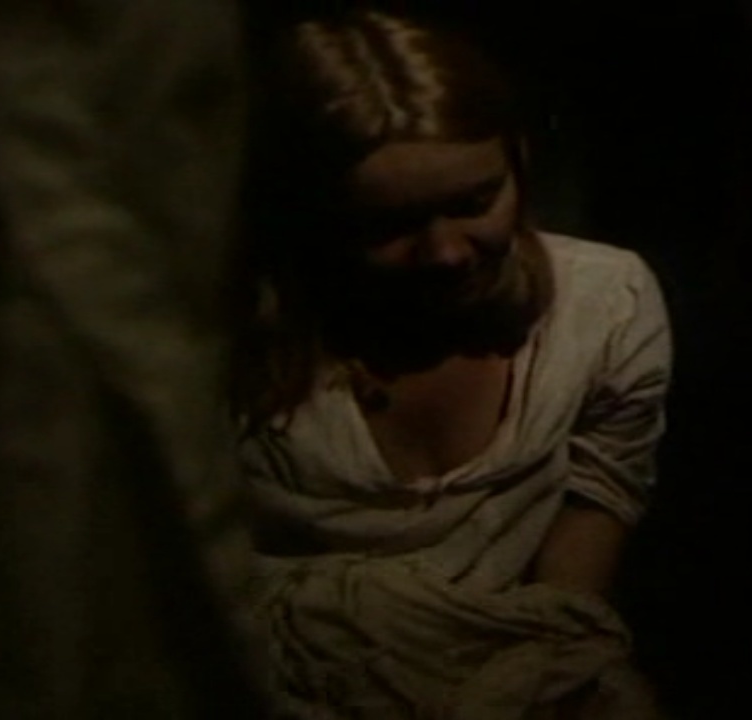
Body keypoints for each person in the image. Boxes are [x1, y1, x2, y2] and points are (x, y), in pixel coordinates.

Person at [230, 7, 672, 719]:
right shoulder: (234, 337)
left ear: (518, 164)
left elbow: (587, 542)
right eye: (387, 224)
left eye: (474, 202)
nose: (444, 253)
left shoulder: (604, 306)